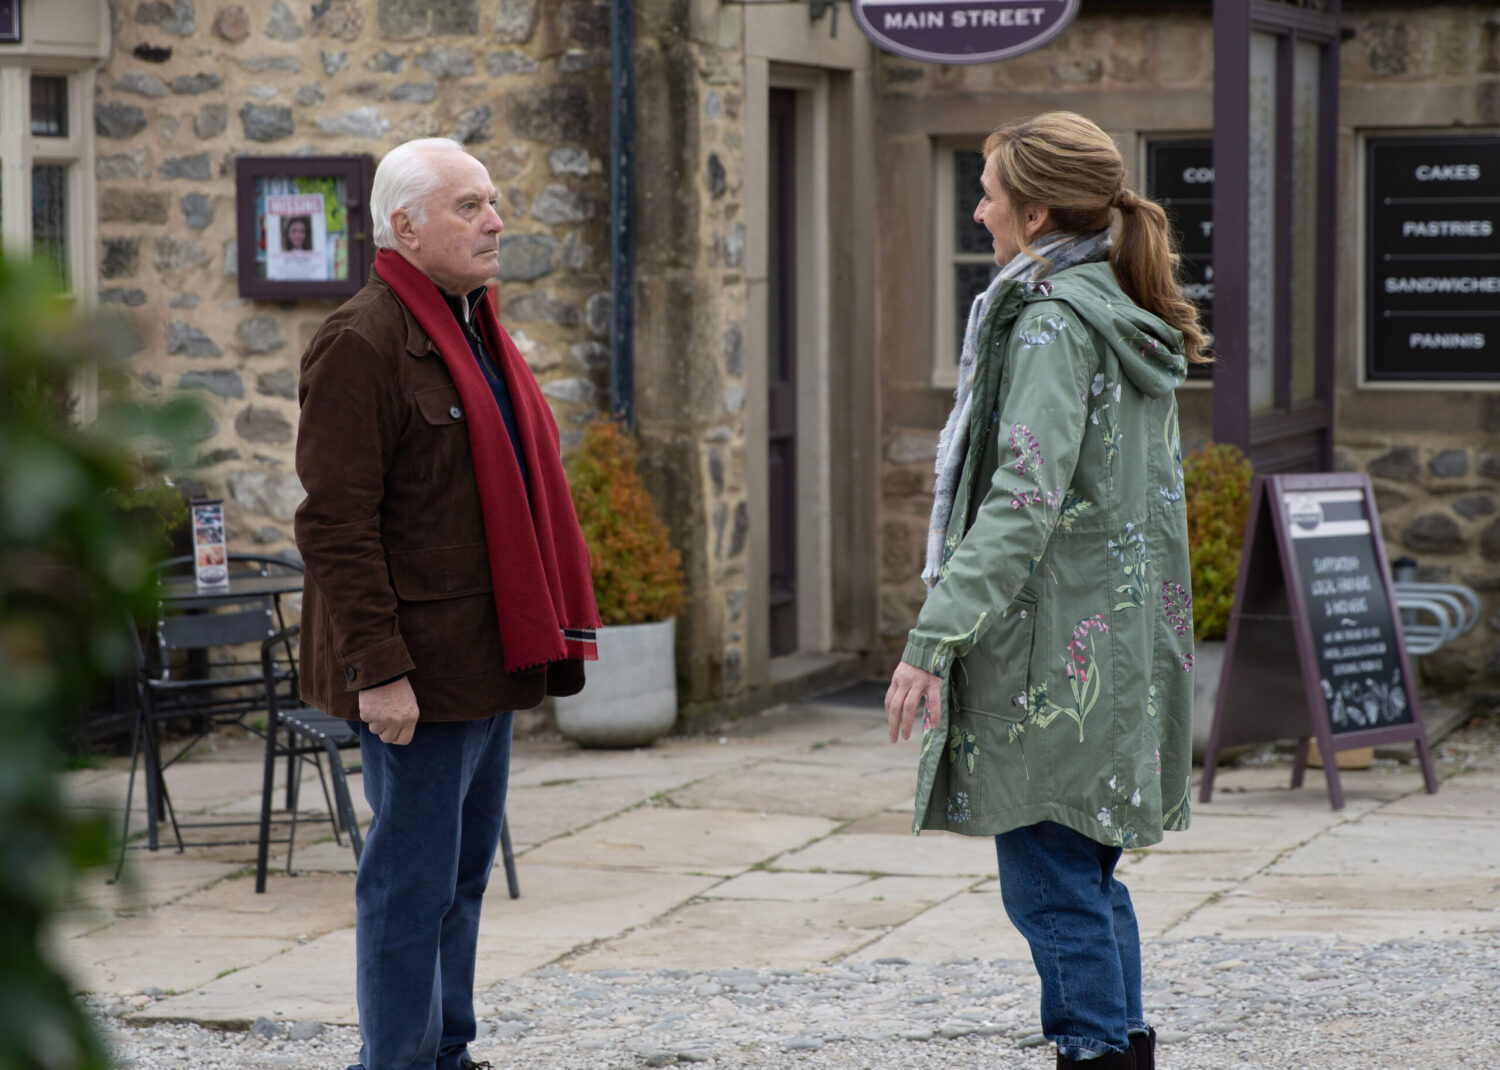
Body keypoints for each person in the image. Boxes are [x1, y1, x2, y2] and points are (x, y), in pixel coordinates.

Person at [884, 112, 1210, 1070]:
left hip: (1052, 657)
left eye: (987, 194)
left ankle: (1096, 1050)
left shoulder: (1054, 325)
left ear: (1031, 217)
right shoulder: (1114, 305)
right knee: (1088, 875)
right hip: (1112, 649)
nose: (977, 210)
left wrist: (930, 638)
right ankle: (1123, 1044)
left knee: (1050, 882)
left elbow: (1023, 500)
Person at [294, 137, 600, 1070]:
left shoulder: (473, 324)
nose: (495, 221)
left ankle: (447, 1051)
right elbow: (336, 525)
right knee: (407, 884)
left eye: (494, 202)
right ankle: (395, 1061)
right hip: (414, 674)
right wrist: (380, 672)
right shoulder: (362, 338)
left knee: (462, 878)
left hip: (483, 659)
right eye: (469, 206)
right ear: (405, 227)